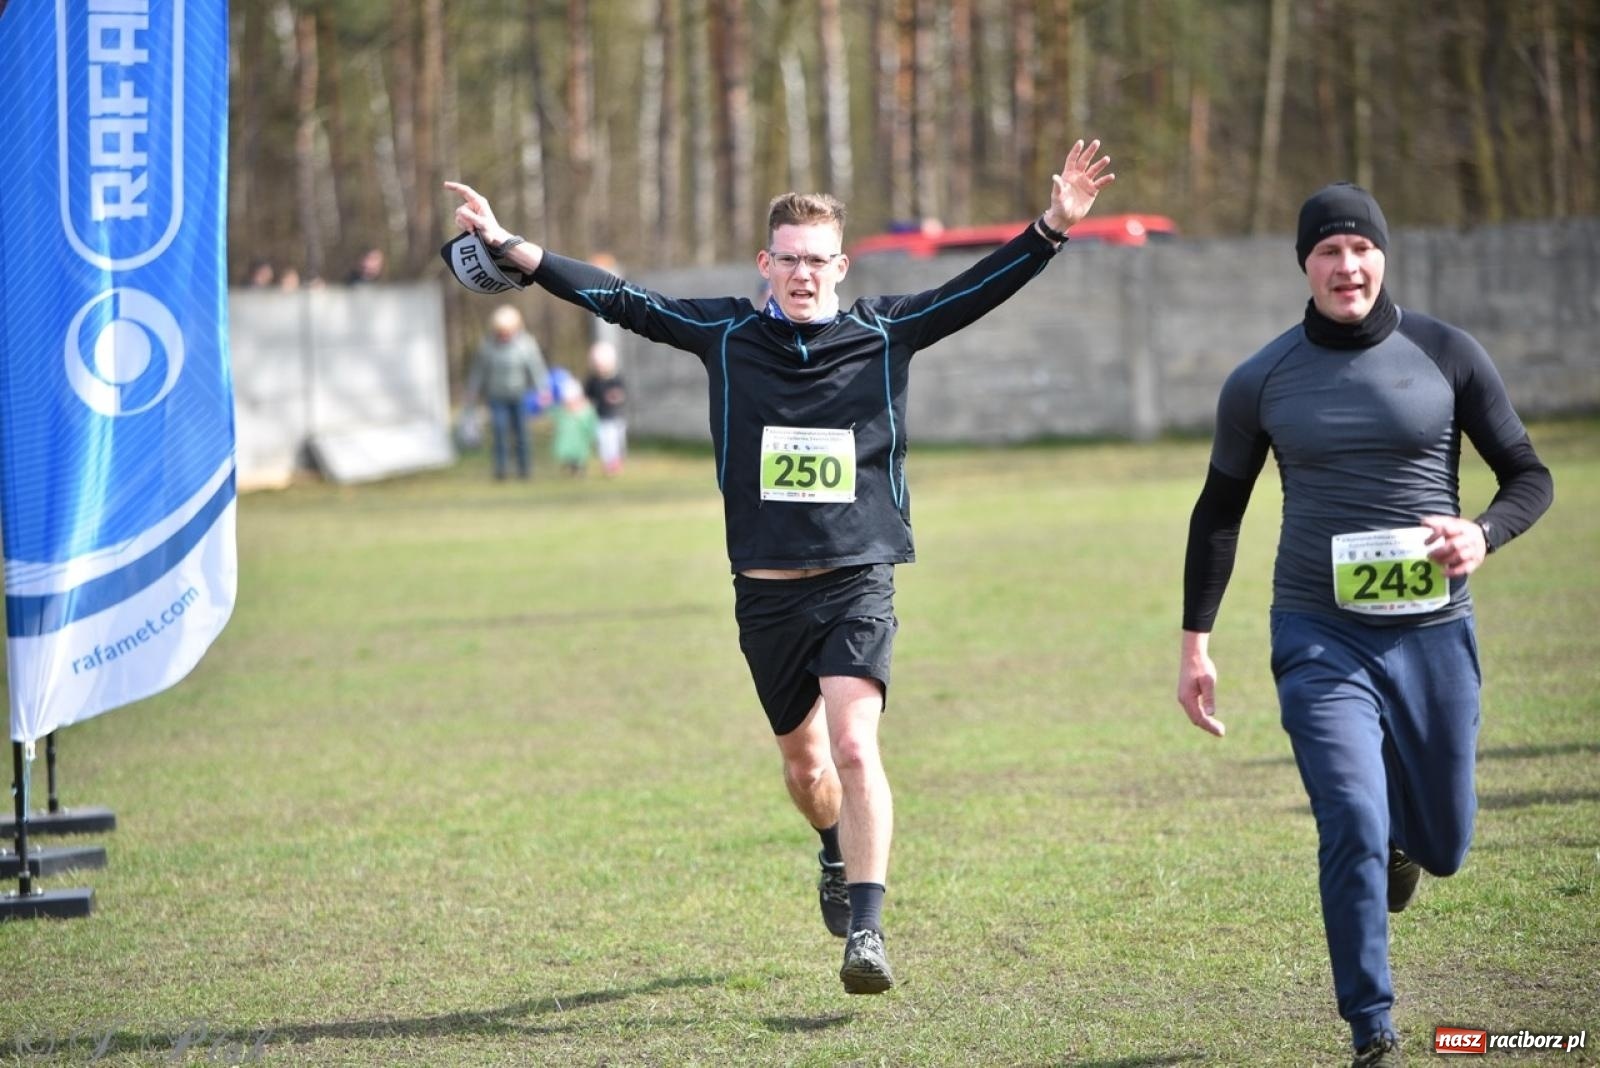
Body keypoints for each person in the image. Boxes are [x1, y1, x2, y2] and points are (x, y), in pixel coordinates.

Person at [443, 137, 1114, 996]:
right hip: (765, 595)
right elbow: (621, 299)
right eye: (789, 260)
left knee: (854, 744)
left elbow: (970, 292)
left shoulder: (882, 334)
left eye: (819, 261)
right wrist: (516, 250)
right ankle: (833, 851)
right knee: (807, 769)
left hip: (857, 577)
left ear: (843, 264)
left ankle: (868, 933)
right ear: (767, 263)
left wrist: (1053, 225)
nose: (803, 275)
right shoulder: (725, 335)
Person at [1174, 182, 1554, 1067]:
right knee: (1347, 812)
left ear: (1384, 256)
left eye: (1361, 250)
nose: (1347, 266)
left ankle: (1406, 848)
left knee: (1447, 843)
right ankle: (1371, 1027)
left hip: (1433, 635)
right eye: (1328, 253)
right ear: (1304, 266)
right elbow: (1217, 514)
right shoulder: (1261, 379)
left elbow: (1531, 474)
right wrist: (1195, 644)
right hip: (1318, 632)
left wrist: (1483, 532)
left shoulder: (1446, 353)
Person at [464, 304, 551, 481]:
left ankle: (524, 470)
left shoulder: (526, 344)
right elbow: (478, 372)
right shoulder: (487, 346)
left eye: (507, 331)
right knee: (500, 432)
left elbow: (535, 368)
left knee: (521, 434)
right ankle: (501, 471)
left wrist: (543, 389)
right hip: (496, 396)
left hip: (519, 395)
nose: (504, 335)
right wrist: (472, 391)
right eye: (501, 331)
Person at [583, 340, 627, 476]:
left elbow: (621, 394)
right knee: (603, 443)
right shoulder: (593, 380)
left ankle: (615, 464)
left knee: (614, 441)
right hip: (600, 417)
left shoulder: (615, 379)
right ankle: (608, 464)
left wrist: (616, 397)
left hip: (615, 417)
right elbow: (587, 396)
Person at [550, 374, 600, 476]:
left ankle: (579, 467)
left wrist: (592, 435)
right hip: (567, 440)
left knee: (580, 455)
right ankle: (571, 466)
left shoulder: (586, 412)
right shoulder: (562, 412)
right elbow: (553, 413)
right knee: (568, 454)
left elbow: (591, 424)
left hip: (580, 441)